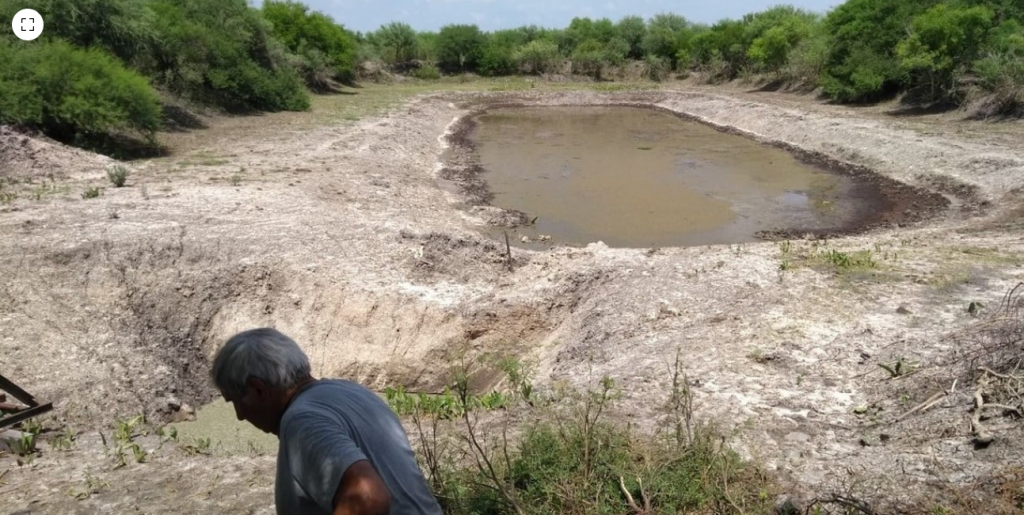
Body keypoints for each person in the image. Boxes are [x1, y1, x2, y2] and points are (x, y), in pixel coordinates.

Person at [211, 327, 444, 515]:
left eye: (235, 402)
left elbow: (367, 496)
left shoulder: (302, 420)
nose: (240, 416)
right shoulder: (351, 391)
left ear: (258, 389)